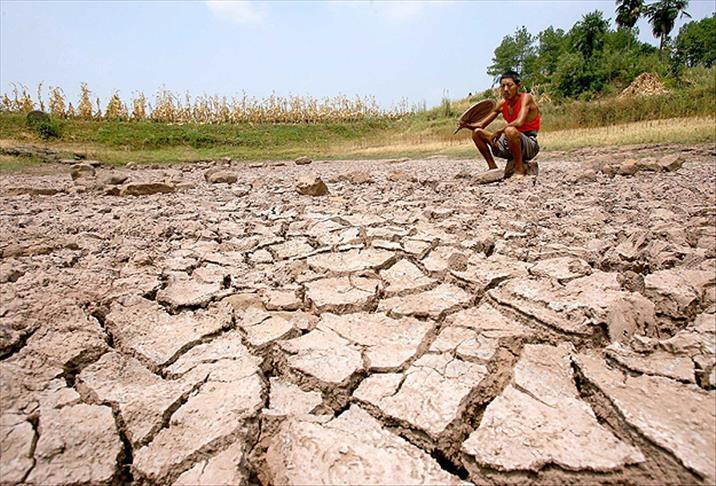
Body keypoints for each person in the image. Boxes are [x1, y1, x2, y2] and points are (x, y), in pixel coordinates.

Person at [459, 71, 540, 177]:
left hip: (529, 144)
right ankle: (492, 167)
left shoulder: (526, 98)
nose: (506, 89)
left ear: (517, 86)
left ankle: (519, 169)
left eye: (509, 85)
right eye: (502, 86)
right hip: (509, 143)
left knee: (509, 130)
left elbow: (519, 122)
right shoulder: (502, 104)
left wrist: (499, 131)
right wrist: (466, 125)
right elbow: (481, 125)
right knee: (477, 133)